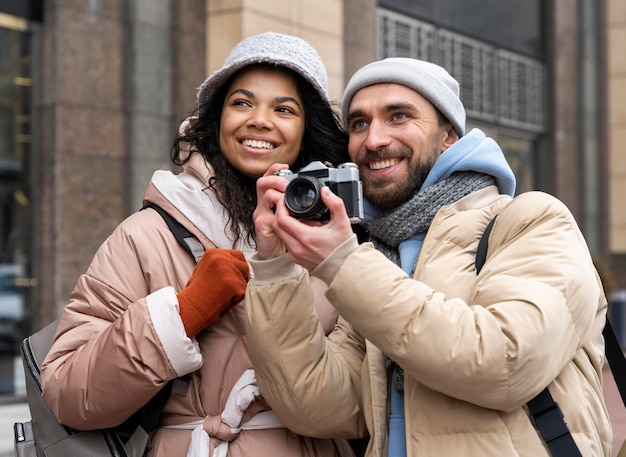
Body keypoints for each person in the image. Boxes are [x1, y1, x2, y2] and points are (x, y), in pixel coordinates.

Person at [245, 57, 613, 456]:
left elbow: (505, 364)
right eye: (359, 123)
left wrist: (342, 262)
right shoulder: (376, 257)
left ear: (449, 135)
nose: (373, 141)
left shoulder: (532, 219)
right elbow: (317, 406)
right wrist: (275, 266)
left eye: (399, 116)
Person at [39, 32, 356, 457]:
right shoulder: (148, 234)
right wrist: (181, 315)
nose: (259, 120)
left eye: (284, 109)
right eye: (241, 103)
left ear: (306, 130)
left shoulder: (338, 240)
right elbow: (67, 393)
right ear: (216, 121)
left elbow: (361, 395)